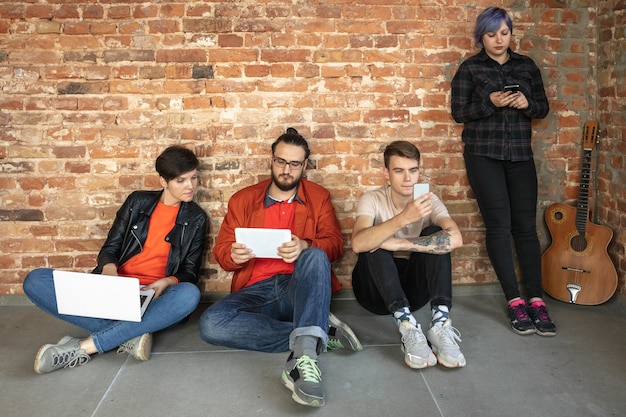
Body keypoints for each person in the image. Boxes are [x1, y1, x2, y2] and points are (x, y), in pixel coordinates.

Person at [198, 128, 361, 408]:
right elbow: (221, 254)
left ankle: (302, 361)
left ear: (305, 165)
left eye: (294, 164)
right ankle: (316, 332)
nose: (286, 170)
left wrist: (305, 245)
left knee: (315, 256)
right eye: (280, 161)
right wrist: (233, 255)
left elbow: (334, 245)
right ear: (271, 160)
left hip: (298, 286)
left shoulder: (318, 197)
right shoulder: (243, 199)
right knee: (211, 324)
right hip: (256, 291)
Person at [23, 145, 208, 373]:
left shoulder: (196, 218)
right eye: (181, 180)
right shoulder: (136, 202)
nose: (190, 186)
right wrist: (110, 272)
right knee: (35, 280)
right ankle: (130, 335)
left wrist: (166, 282)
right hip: (115, 289)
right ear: (163, 181)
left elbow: (189, 272)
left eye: (193, 178)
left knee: (189, 294)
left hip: (154, 298)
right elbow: (110, 248)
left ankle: (84, 347)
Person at [451, 6, 556, 336]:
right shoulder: (469, 68)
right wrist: (490, 103)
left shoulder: (526, 66)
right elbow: (459, 112)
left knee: (525, 227)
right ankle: (514, 301)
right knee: (499, 226)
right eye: (492, 34)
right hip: (483, 156)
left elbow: (543, 107)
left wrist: (528, 104)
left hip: (520, 157)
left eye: (504, 33)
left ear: (512, 34)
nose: (499, 40)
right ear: (481, 37)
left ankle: (536, 300)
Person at [351, 140, 466, 369]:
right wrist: (403, 219)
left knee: (436, 235)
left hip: (413, 293)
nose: (407, 178)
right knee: (373, 240)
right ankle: (407, 326)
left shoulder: (428, 200)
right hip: (373, 292)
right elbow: (357, 244)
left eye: (413, 171)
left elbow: (456, 238)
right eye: (399, 171)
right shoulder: (372, 199)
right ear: (386, 172)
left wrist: (402, 243)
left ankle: (440, 324)